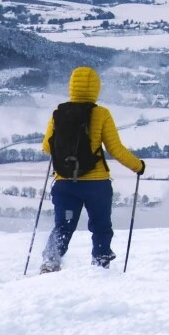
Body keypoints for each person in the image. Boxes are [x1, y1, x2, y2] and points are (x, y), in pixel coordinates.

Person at [39, 66, 145, 271]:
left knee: (64, 225)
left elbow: (46, 147)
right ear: (96, 87)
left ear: (71, 86)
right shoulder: (102, 114)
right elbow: (115, 149)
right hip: (97, 186)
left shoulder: (58, 113)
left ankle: (50, 261)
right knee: (101, 225)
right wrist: (138, 166)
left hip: (65, 184)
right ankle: (100, 261)